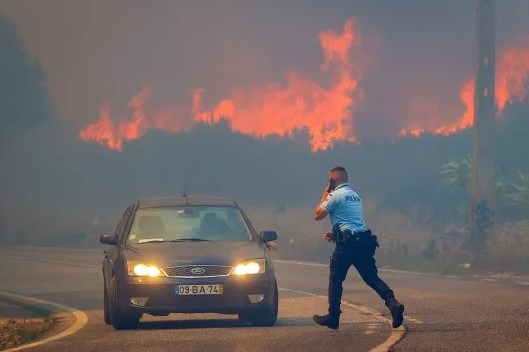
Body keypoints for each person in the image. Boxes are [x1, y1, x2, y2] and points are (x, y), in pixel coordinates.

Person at [312, 166, 405, 330]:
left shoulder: (335, 195)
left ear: (333, 180)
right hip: (363, 240)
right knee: (371, 277)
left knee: (336, 277)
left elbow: (318, 215)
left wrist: (324, 195)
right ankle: (392, 303)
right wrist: (335, 235)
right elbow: (350, 221)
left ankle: (333, 316)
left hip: (348, 244)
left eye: (329, 180)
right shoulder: (354, 195)